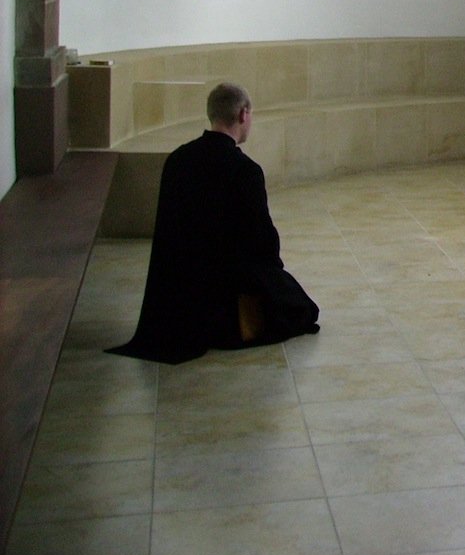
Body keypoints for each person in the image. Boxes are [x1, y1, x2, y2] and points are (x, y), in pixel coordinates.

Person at [107, 82, 319, 364]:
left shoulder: (177, 161)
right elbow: (263, 243)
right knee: (303, 310)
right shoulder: (246, 171)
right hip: (225, 304)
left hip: (178, 298)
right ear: (243, 114)